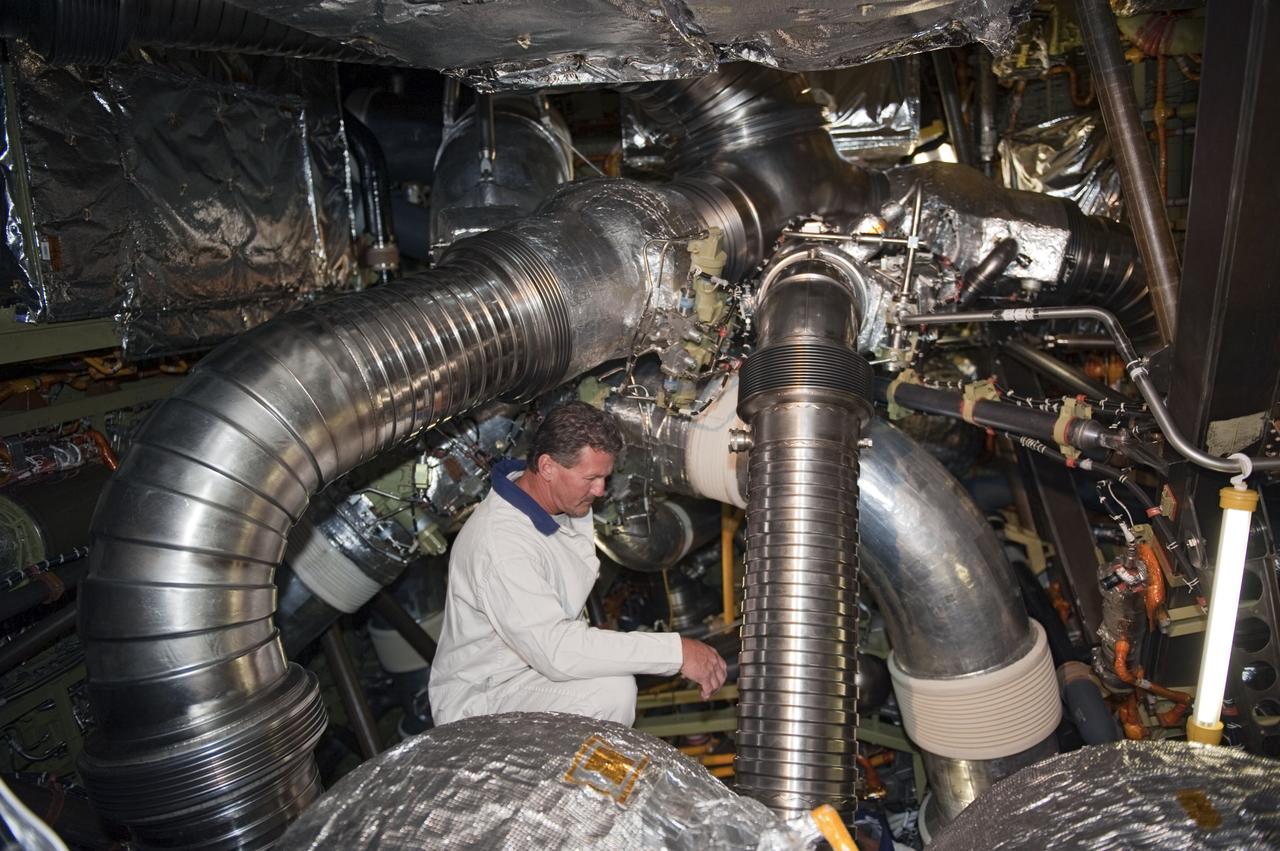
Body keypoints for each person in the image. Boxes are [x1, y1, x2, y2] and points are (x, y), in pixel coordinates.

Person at [428, 401, 727, 725]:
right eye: (591, 478)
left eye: (605, 477)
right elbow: (556, 650)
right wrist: (675, 652)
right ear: (547, 467)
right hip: (482, 700)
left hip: (527, 673)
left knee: (612, 686)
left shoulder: (555, 502)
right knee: (609, 694)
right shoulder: (500, 546)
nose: (600, 490)